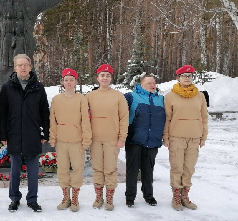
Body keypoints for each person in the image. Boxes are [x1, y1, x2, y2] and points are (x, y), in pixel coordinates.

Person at [0, 54, 50, 212]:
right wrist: (3, 135)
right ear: (15, 68)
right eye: (19, 65)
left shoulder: (38, 87)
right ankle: (14, 198)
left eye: (25, 65)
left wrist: (44, 133)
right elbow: (3, 114)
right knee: (15, 170)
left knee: (33, 170)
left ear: (30, 67)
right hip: (14, 134)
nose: (23, 68)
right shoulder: (7, 87)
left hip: (33, 133)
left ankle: (32, 199)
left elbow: (44, 113)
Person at [163, 65, 208, 211]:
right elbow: (167, 118)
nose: (187, 78)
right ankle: (176, 196)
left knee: (189, 168)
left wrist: (203, 136)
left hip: (194, 137)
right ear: (178, 78)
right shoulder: (170, 96)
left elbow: (204, 117)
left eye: (189, 76)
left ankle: (185, 196)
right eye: (184, 76)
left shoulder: (200, 96)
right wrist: (166, 136)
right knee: (177, 168)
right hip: (177, 137)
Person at [86, 64, 129, 211]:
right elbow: (85, 118)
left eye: (108, 75)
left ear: (111, 78)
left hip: (112, 139)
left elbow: (124, 118)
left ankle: (109, 197)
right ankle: (99, 196)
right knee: (97, 168)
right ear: (97, 78)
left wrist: (122, 137)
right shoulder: (90, 96)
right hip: (95, 139)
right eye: (102, 75)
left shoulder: (118, 96)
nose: (105, 78)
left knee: (110, 169)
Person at [49, 68, 92, 212]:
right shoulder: (56, 100)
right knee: (62, 169)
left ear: (75, 82)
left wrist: (86, 139)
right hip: (61, 140)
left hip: (77, 141)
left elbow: (85, 121)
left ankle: (75, 198)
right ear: (62, 82)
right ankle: (65, 197)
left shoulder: (81, 99)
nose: (68, 82)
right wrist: (52, 137)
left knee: (78, 168)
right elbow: (52, 121)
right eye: (66, 80)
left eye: (71, 80)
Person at [124, 75, 165, 207]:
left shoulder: (161, 99)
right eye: (149, 83)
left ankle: (148, 195)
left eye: (154, 83)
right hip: (135, 139)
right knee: (133, 169)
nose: (152, 85)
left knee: (148, 169)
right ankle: (130, 196)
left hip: (152, 140)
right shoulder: (131, 97)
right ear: (141, 85)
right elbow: (114, 105)